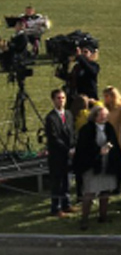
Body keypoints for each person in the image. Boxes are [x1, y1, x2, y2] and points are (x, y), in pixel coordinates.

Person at [73, 105, 121, 230]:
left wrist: (110, 148)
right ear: (94, 116)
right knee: (89, 193)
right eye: (101, 115)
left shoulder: (109, 128)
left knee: (105, 191)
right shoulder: (86, 129)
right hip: (92, 166)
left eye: (105, 115)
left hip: (107, 164)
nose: (104, 117)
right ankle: (84, 219)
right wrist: (98, 151)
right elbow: (83, 148)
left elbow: (114, 142)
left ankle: (103, 216)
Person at [44, 88, 76, 218]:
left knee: (67, 180)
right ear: (53, 100)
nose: (61, 101)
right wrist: (67, 150)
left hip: (68, 155)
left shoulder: (68, 114)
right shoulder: (50, 118)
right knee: (57, 182)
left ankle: (66, 204)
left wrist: (74, 147)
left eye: (63, 98)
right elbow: (54, 138)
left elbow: (72, 132)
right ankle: (55, 208)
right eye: (58, 98)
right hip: (57, 156)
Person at [101, 86, 121, 151]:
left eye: (106, 96)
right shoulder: (105, 109)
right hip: (109, 137)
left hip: (119, 137)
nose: (104, 98)